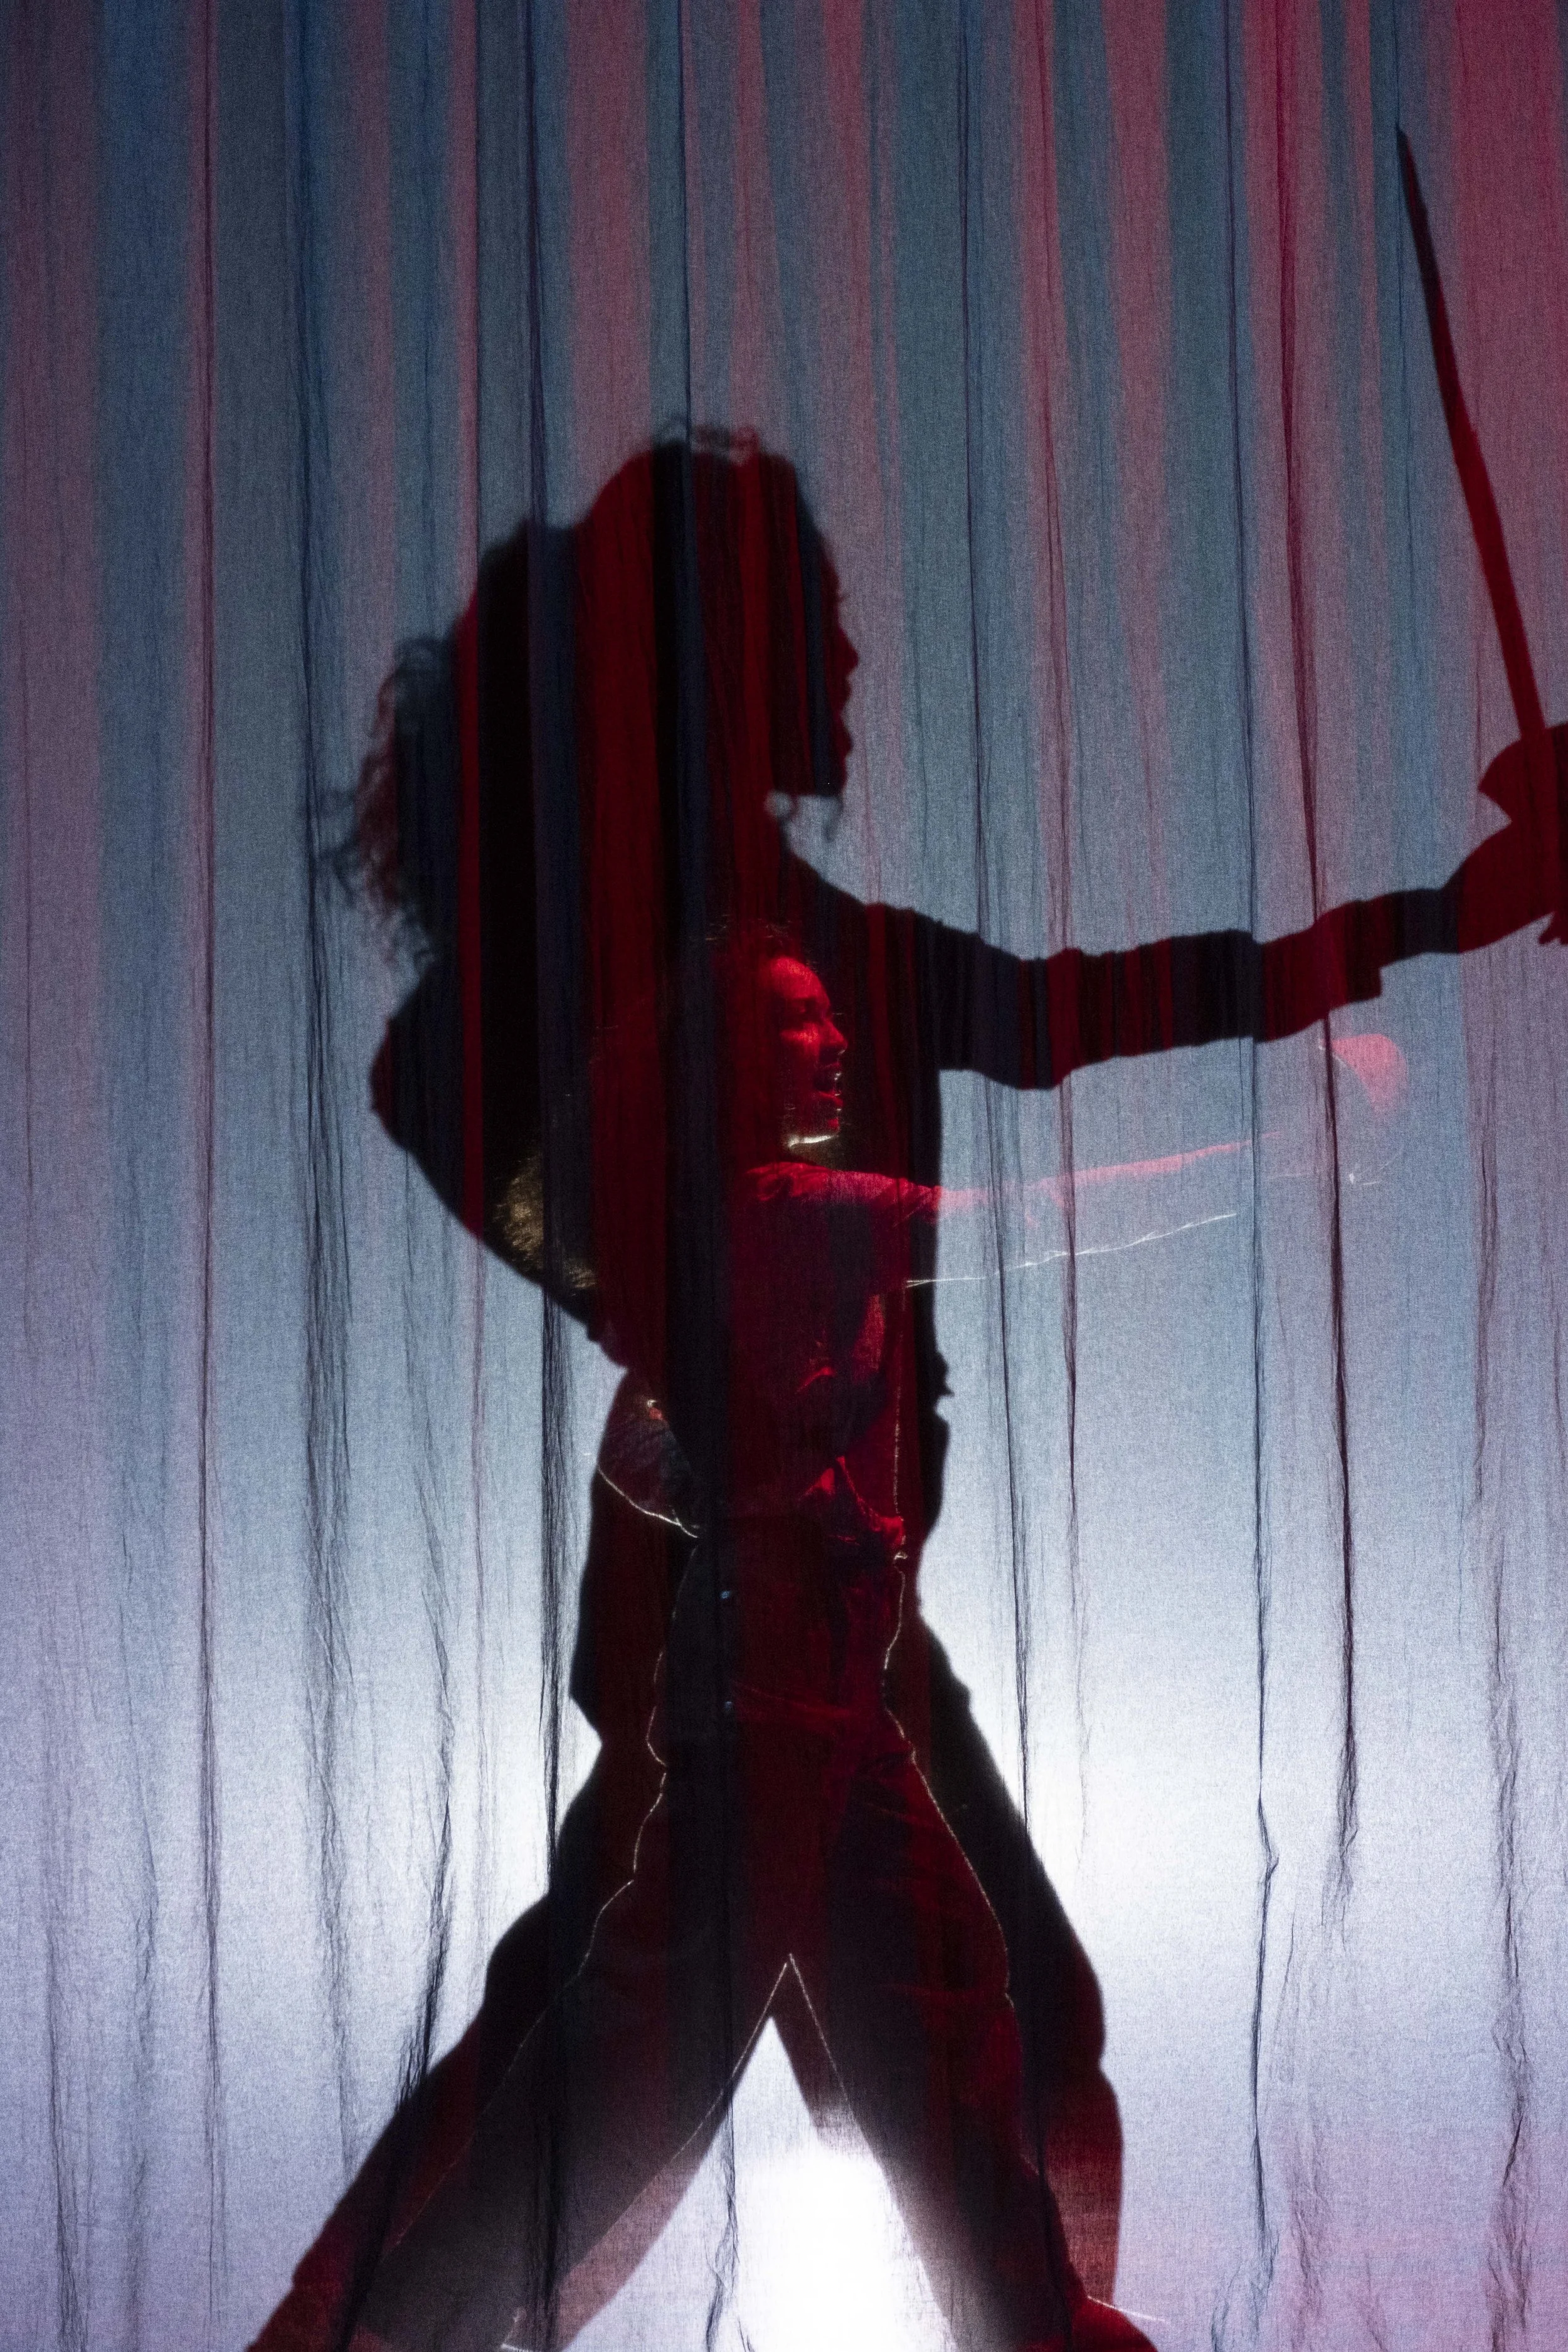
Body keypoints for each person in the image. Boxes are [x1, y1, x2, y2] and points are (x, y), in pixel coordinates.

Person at [255, 434, 1564, 2352]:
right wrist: (688, 1222)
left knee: (880, 2052)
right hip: (738, 1612)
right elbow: (471, 1109)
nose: (860, 662)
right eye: (827, 621)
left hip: (833, 1604)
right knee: (705, 2053)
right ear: (732, 654)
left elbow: (1100, 1001)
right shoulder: (686, 995)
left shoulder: (821, 961)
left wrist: (1443, 912)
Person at [351, 925, 1156, 2352]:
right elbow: (1045, 1210)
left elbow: (640, 1464)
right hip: (776, 1702)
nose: (836, 1044)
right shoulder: (784, 1202)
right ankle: (410, 2331)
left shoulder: (732, 1226)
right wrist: (1300, 1134)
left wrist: (747, 1455)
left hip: (824, 1705)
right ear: (730, 1061)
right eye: (799, 1023)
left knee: (928, 2021)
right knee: (641, 2065)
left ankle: (1031, 2322)